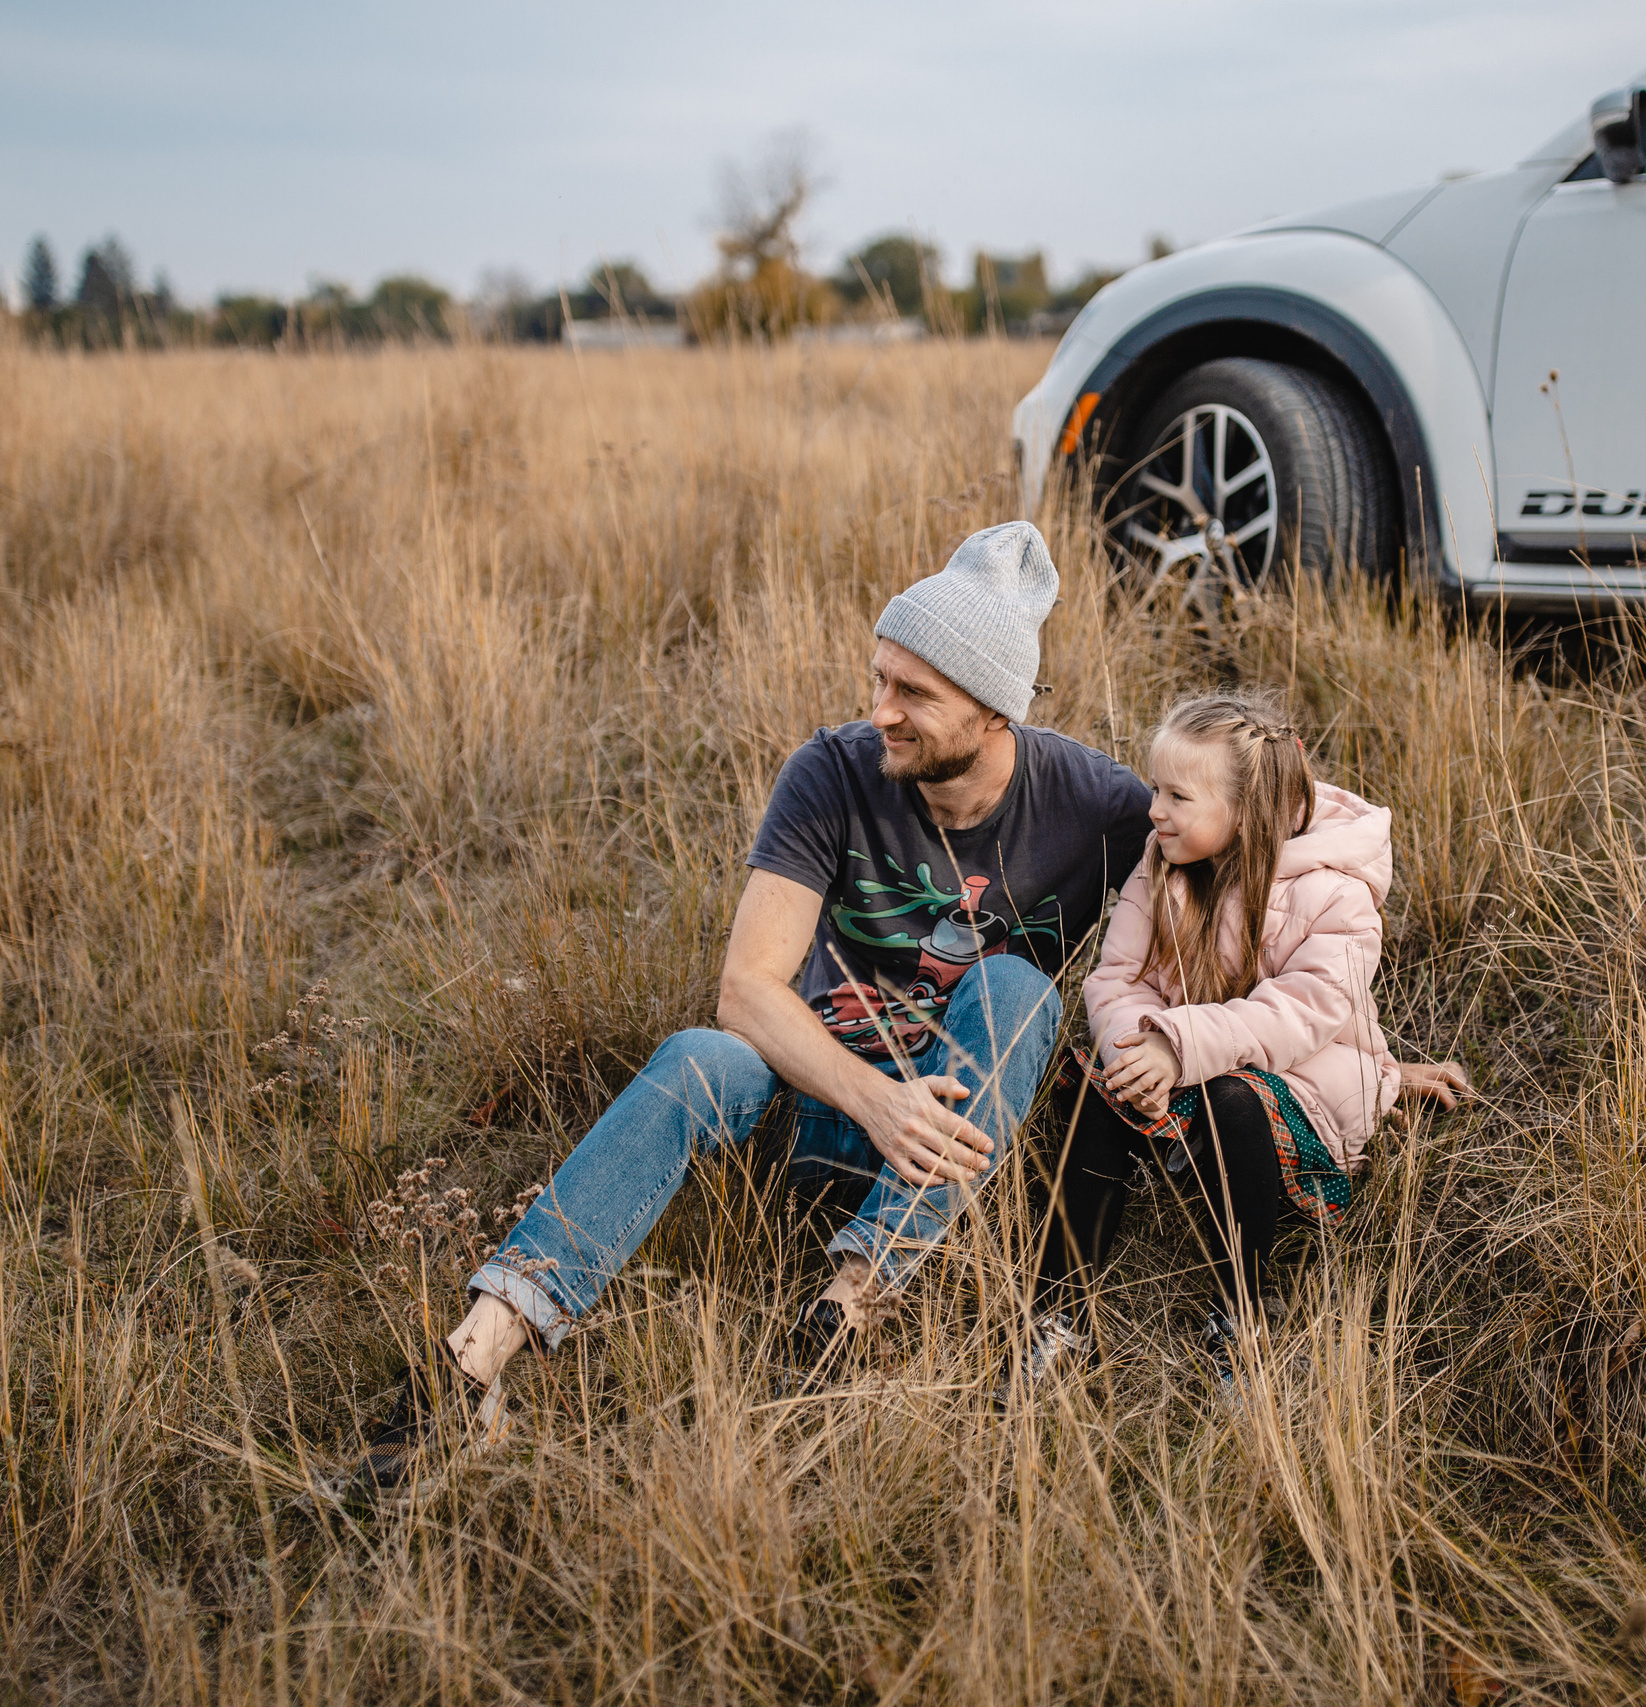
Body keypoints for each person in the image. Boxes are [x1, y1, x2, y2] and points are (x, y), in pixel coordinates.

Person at [352, 521, 1154, 1491]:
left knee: (1017, 988)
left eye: (913, 694)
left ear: (993, 711)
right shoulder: (834, 771)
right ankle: (467, 1367)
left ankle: (843, 1317)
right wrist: (876, 1101)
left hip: (953, 1137)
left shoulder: (1093, 803)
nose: (881, 712)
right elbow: (747, 990)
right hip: (813, 1106)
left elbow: (1247, 830)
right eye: (879, 678)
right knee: (703, 1054)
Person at [1027, 688, 1470, 1387]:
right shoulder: (1162, 861)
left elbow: (1303, 1011)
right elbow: (1117, 978)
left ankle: (1243, 1316)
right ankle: (1058, 1316)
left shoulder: (1337, 893)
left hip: (1300, 1093)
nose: (1154, 810)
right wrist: (1136, 1054)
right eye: (1154, 788)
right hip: (1181, 1069)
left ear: (1246, 810)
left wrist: (1179, 1044)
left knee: (1234, 1098)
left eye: (1178, 796)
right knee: (1096, 1089)